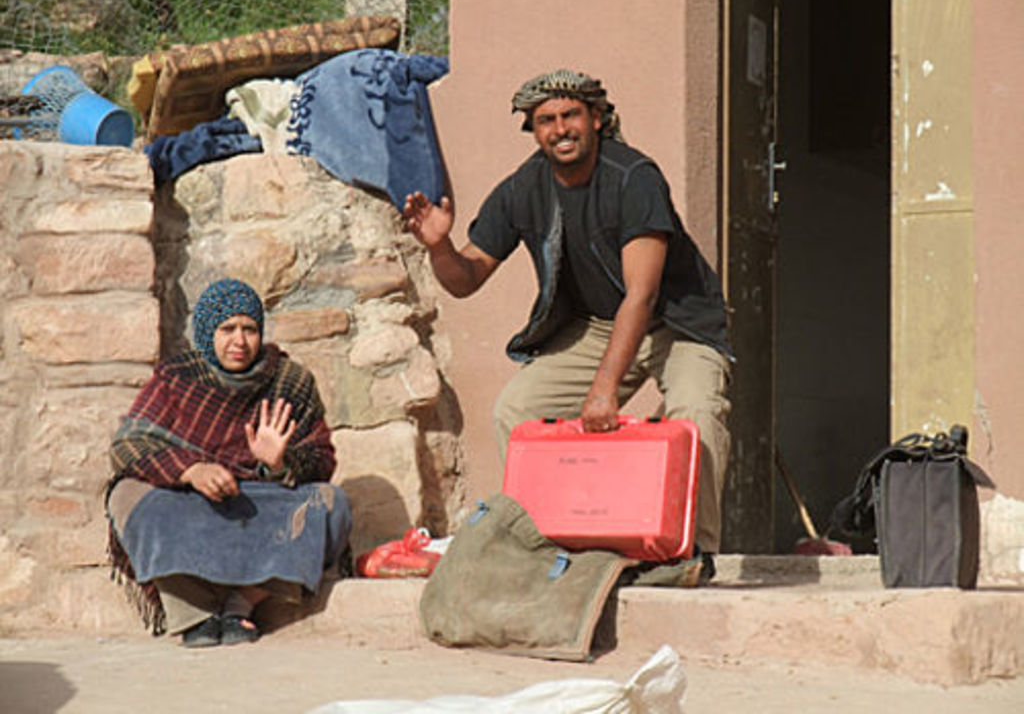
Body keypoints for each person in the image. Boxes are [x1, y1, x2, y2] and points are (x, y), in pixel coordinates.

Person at [403, 69, 732, 580]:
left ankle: (694, 553)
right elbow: (467, 279)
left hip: (676, 322)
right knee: (520, 409)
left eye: (571, 115)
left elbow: (642, 295)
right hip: (601, 323)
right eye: (546, 120)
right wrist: (439, 245)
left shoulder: (633, 176)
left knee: (695, 411)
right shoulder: (523, 187)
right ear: (534, 131)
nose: (560, 129)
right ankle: (548, 548)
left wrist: (604, 389)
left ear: (596, 119)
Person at [106, 278, 351, 647]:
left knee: (333, 505)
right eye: (227, 329)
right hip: (190, 501)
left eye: (249, 329)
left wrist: (281, 463)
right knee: (125, 495)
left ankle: (242, 604)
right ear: (208, 332)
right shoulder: (177, 377)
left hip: (260, 504)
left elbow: (322, 460)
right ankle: (193, 614)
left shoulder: (290, 381)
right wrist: (190, 470)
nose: (240, 341)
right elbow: (127, 445)